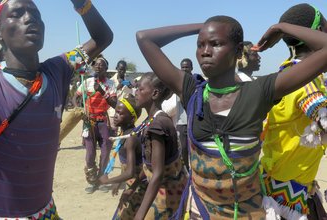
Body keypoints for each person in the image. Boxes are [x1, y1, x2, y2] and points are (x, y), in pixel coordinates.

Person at [136, 14, 327, 219]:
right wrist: (205, 27)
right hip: (199, 212)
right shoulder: (191, 91)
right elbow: (144, 38)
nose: (205, 52)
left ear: (237, 51)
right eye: (200, 45)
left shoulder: (258, 92)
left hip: (246, 213)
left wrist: (281, 28)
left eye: (215, 43)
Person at [0, 0, 113, 219]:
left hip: (47, 213)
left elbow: (103, 38)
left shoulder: (58, 71)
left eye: (35, 13)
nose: (30, 18)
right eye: (16, 14)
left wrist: (81, 3)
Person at [261, 4, 327, 219]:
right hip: (287, 200)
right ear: (317, 34)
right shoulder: (305, 82)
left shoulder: (288, 72)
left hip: (285, 184)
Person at [133, 72, 187, 219]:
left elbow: (157, 173)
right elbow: (149, 166)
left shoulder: (157, 124)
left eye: (140, 89)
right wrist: (133, 187)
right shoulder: (152, 120)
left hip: (168, 195)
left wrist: (140, 215)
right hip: (165, 189)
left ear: (155, 93)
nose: (136, 92)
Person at [98, 94, 146, 220]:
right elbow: (126, 165)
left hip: (138, 186)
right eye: (115, 112)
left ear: (131, 119)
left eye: (120, 113)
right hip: (133, 184)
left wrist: (108, 181)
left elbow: (130, 172)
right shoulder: (125, 134)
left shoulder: (130, 139)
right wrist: (119, 182)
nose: (115, 115)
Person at [76, 56, 117, 194]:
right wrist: (79, 109)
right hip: (89, 122)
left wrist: (101, 91)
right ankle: (92, 181)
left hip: (103, 122)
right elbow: (75, 96)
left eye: (101, 65)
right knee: (90, 153)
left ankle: (102, 179)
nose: (98, 67)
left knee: (105, 152)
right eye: (96, 65)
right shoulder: (86, 82)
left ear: (106, 68)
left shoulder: (110, 84)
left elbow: (114, 104)